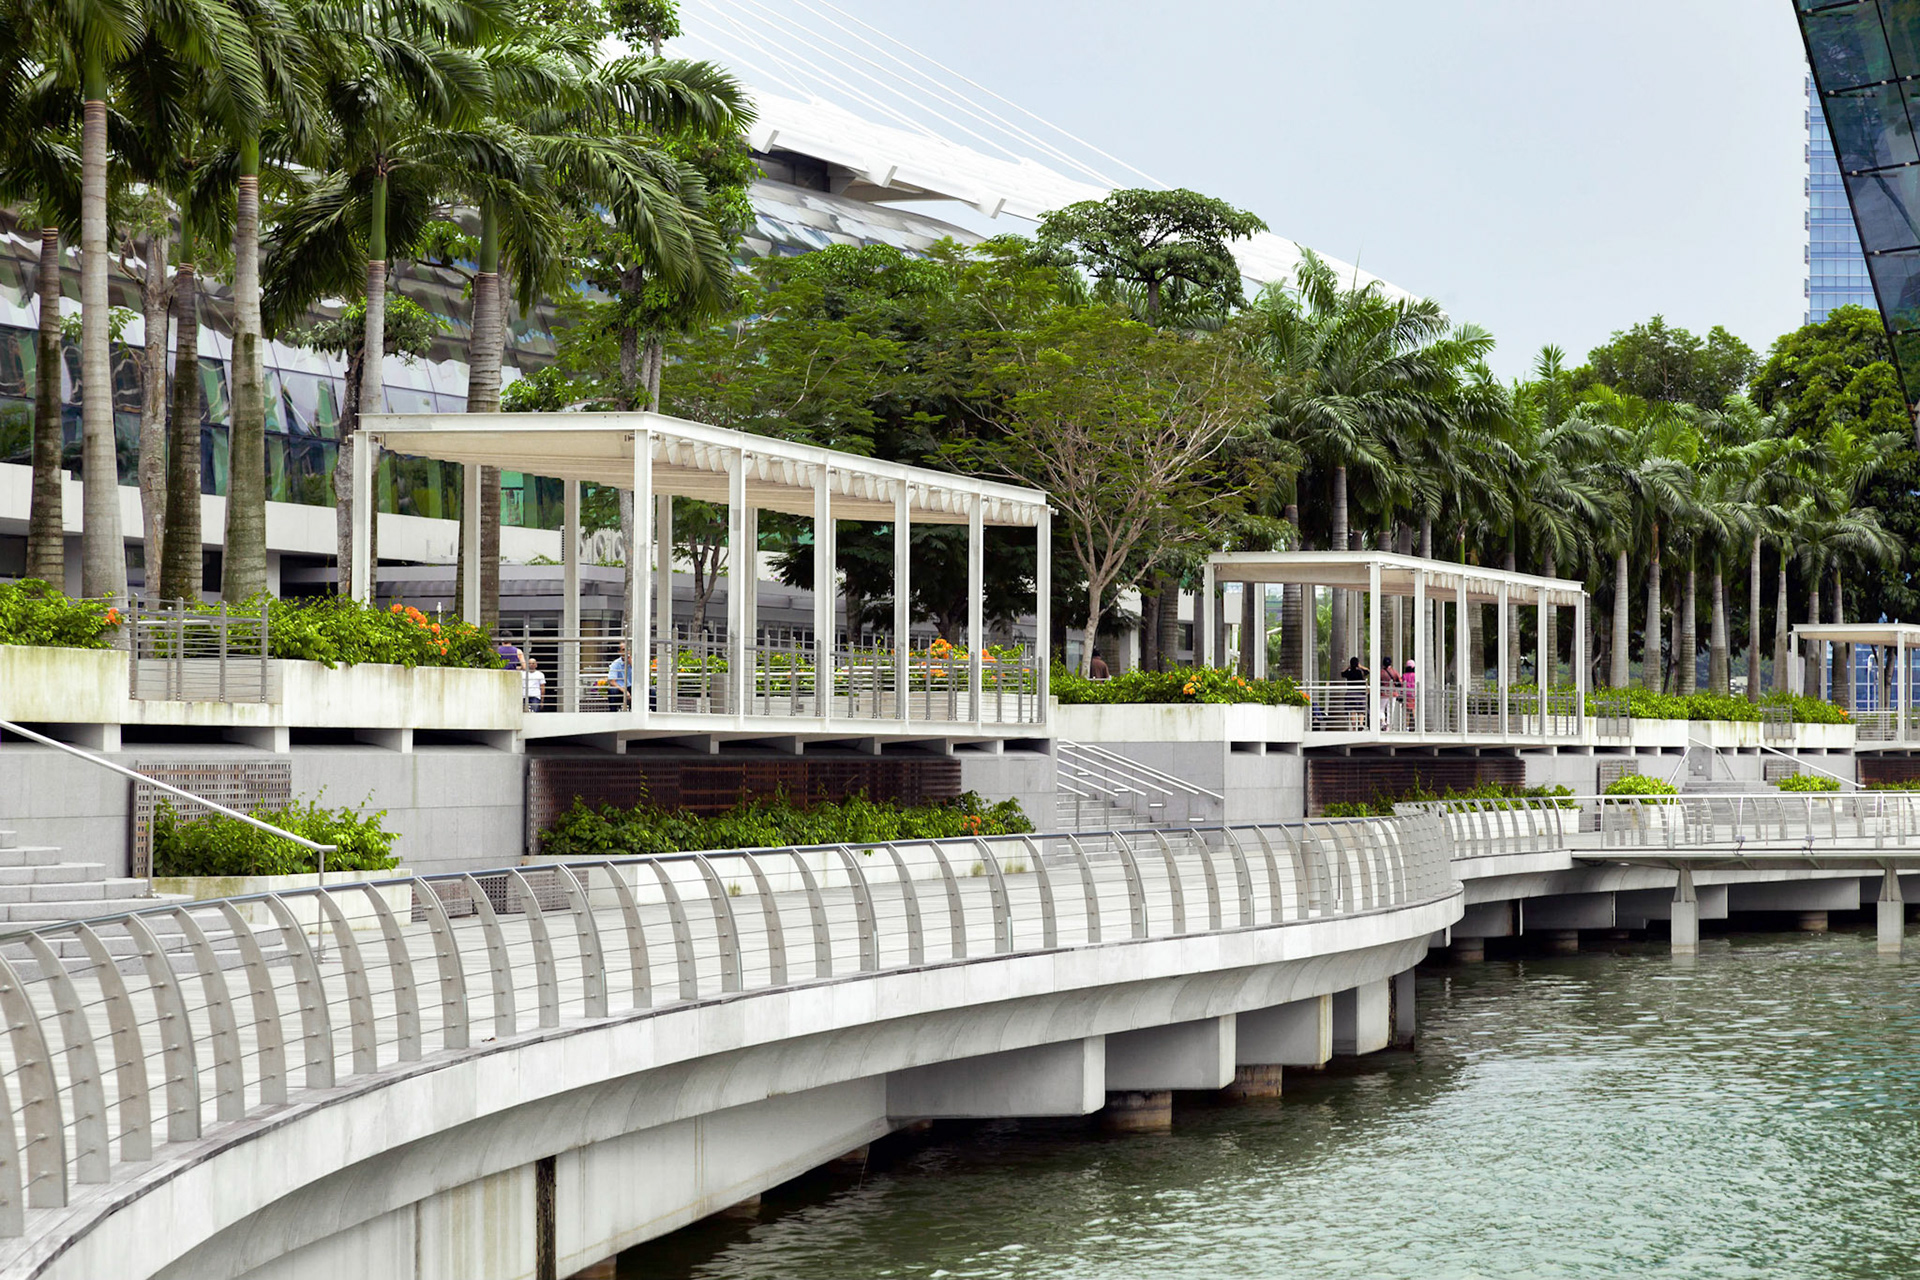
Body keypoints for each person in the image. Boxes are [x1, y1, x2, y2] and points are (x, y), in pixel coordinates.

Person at [1337, 656, 1368, 729]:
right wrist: (1360, 666)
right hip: (1360, 693)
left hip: (1350, 693)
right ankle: (1360, 724)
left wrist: (1348, 667)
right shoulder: (1360, 672)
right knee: (1361, 710)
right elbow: (1368, 671)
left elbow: (1342, 673)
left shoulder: (1349, 672)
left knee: (1352, 711)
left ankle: (1354, 727)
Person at [1380, 657, 1403, 729]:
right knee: (1391, 709)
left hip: (1383, 693)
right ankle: (1389, 725)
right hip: (1393, 693)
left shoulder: (1381, 672)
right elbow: (1400, 681)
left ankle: (1383, 722)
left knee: (1381, 708)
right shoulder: (1394, 671)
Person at [608, 643, 633, 711]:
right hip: (621, 688)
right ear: (619, 652)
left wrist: (631, 663)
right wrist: (625, 691)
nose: (626, 652)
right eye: (623, 650)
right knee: (612, 691)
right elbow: (612, 681)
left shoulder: (635, 662)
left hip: (633, 688)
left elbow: (640, 677)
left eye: (628, 649)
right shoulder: (615, 664)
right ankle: (613, 713)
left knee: (652, 692)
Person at [1402, 659, 1418, 728]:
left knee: (1407, 712)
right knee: (1414, 710)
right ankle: (1416, 726)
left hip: (1406, 695)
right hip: (1413, 695)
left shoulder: (1404, 675)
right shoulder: (1415, 675)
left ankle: (1407, 727)